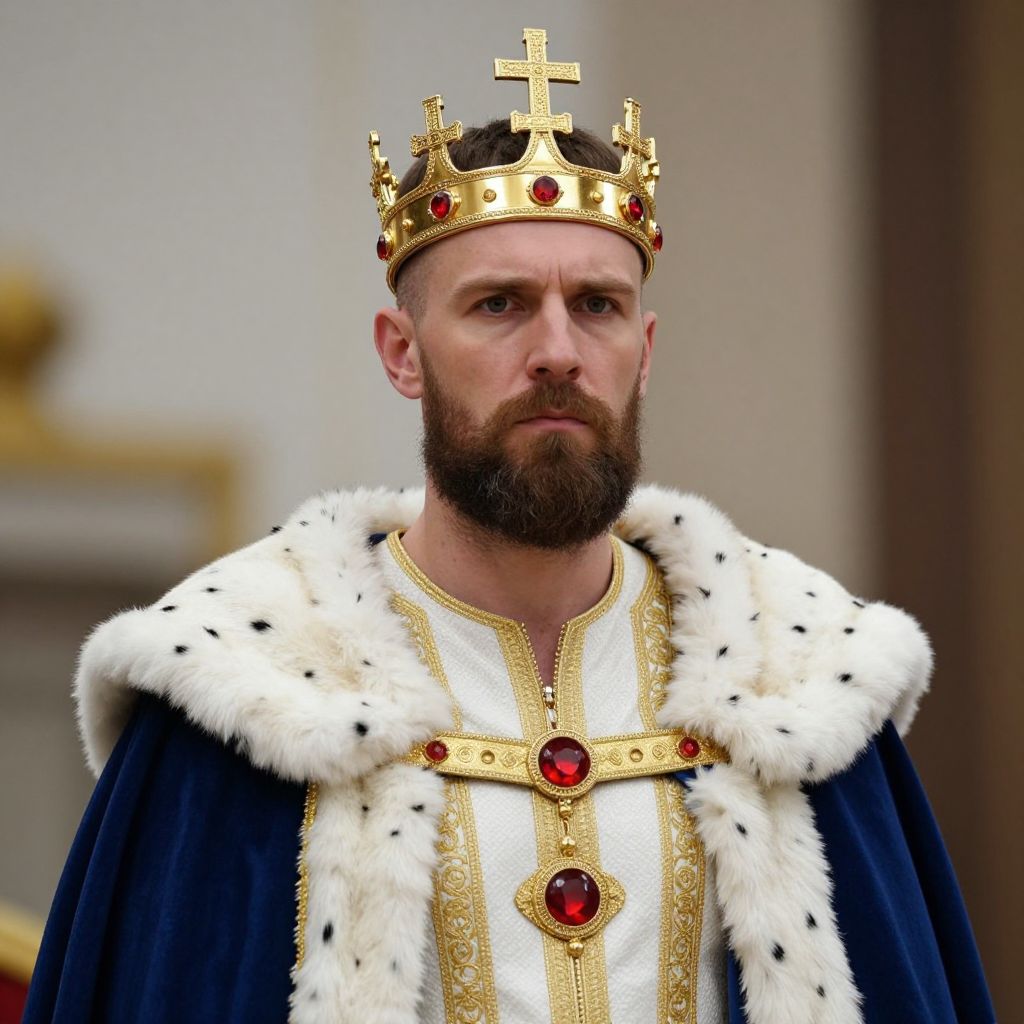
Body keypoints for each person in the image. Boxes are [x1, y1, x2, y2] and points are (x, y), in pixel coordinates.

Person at [24, 27, 993, 1024]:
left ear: (644, 348)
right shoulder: (254, 692)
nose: (558, 351)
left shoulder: (793, 681)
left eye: (599, 306)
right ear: (402, 353)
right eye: (499, 305)